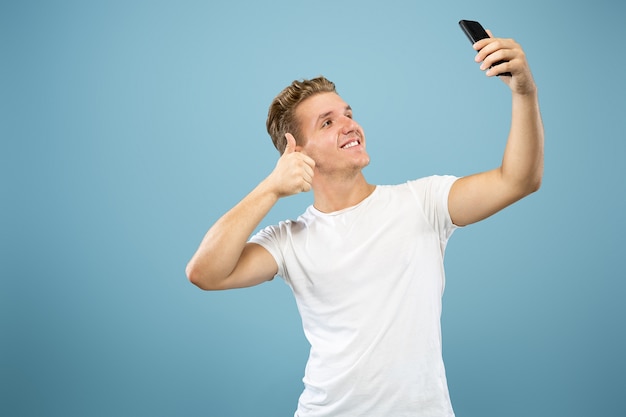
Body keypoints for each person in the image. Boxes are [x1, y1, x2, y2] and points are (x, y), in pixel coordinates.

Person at [186, 29, 544, 417]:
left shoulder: (422, 202)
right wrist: (270, 188)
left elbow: (518, 179)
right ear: (297, 151)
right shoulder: (288, 241)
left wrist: (524, 92)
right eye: (327, 122)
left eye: (349, 114)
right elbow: (205, 273)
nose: (350, 125)